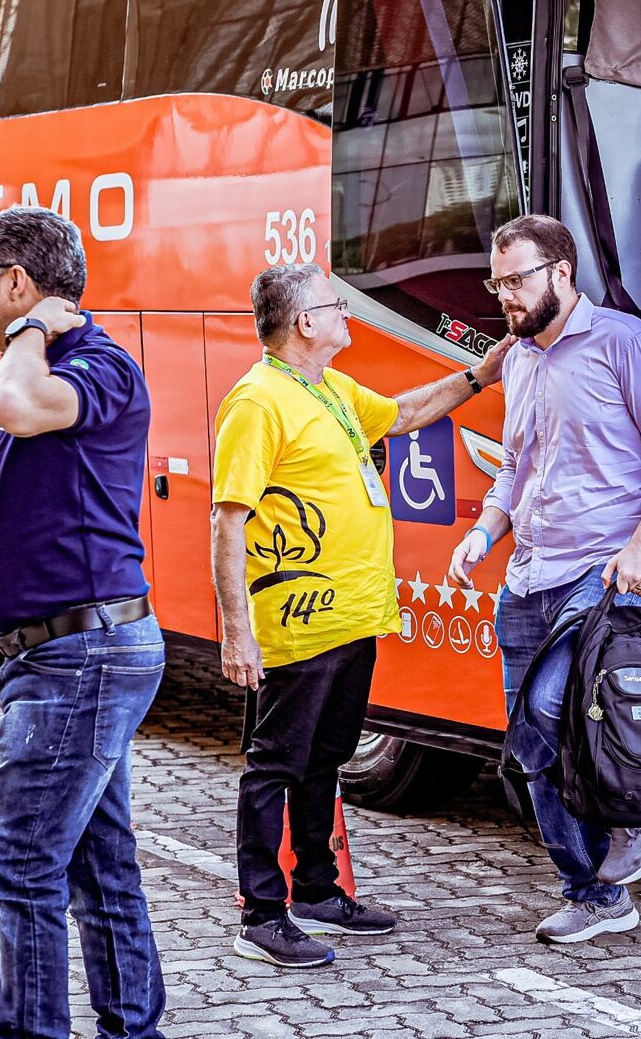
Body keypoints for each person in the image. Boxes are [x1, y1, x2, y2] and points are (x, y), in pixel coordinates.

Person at [214, 263, 509, 968]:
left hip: (351, 617)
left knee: (326, 758)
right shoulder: (257, 402)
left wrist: (480, 375)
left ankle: (317, 889)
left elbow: (404, 415)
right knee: (274, 764)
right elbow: (228, 521)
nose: (347, 312)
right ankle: (261, 913)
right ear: (302, 324)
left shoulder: (332, 388)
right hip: (296, 619)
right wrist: (236, 632)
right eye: (332, 304)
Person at [0, 205, 166, 1039]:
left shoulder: (92, 365)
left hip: (80, 656)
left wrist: (31, 331)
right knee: (100, 863)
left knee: (19, 862)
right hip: (69, 648)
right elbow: (61, 507)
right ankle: (135, 1027)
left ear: (18, 283)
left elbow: (20, 409)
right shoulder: (47, 364)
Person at [445, 215, 641, 945]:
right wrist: (482, 533)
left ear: (561, 272)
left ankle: (635, 812)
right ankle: (591, 893)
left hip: (608, 565)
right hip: (531, 572)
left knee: (558, 704)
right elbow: (516, 469)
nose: (505, 298)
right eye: (497, 283)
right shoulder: (519, 359)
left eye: (516, 280)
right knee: (530, 739)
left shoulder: (624, 345)